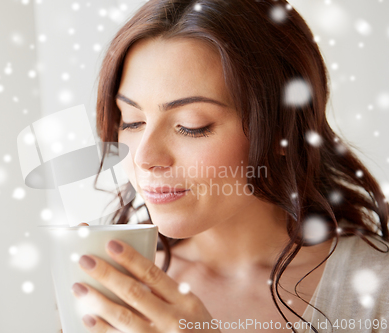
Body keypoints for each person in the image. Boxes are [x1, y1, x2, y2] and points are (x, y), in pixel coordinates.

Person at [68, 0, 389, 332]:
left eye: (192, 126)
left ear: (283, 128)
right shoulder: (112, 288)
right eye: (133, 122)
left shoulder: (375, 293)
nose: (144, 158)